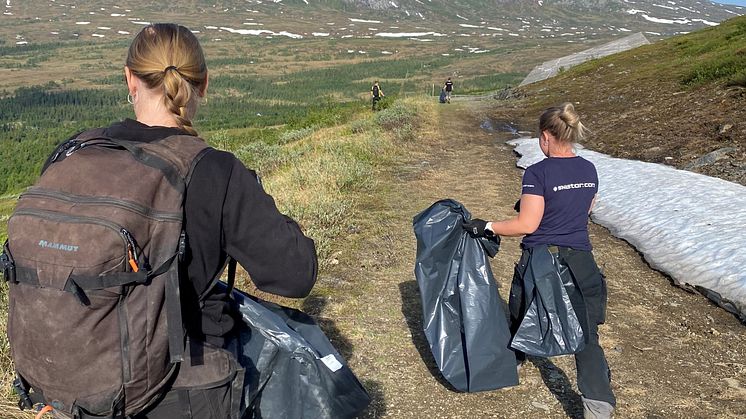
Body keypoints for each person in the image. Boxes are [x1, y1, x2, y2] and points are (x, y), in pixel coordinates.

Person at [57, 23, 316, 418]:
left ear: (130, 78)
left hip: (67, 382)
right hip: (173, 391)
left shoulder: (74, 152)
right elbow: (297, 274)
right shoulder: (215, 172)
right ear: (204, 84)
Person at [463, 103, 615, 419]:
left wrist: (487, 226)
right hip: (582, 260)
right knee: (586, 334)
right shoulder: (588, 169)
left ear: (546, 136)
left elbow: (526, 226)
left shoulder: (538, 173)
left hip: (544, 262)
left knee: (520, 305)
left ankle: (513, 358)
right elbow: (584, 209)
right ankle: (599, 406)